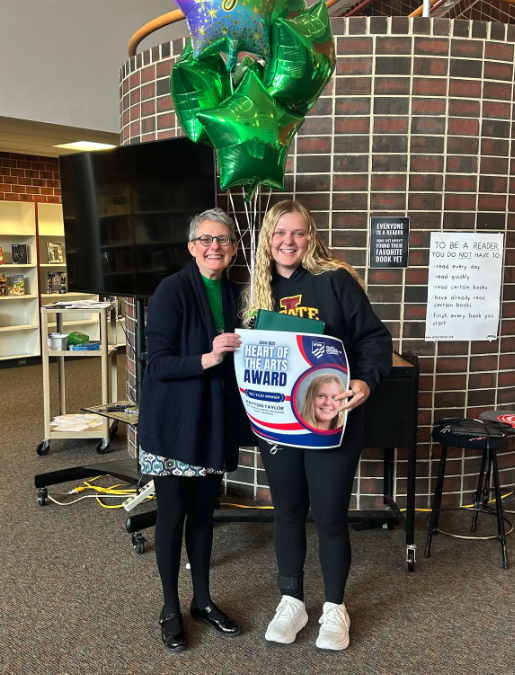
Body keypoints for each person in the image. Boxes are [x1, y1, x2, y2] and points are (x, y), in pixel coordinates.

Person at [242, 199, 392, 651]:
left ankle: (334, 607)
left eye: (298, 232)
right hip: (279, 424)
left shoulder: (335, 280)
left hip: (331, 420)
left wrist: (366, 381)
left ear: (310, 237)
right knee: (287, 512)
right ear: (268, 239)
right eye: (279, 232)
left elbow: (374, 338)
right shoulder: (257, 289)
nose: (288, 241)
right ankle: (292, 601)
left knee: (328, 515)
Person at [138, 207, 244, 653]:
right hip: (173, 425)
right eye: (205, 239)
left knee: (203, 515)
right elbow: (157, 364)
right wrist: (208, 357)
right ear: (191, 247)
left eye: (223, 239)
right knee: (172, 516)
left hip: (212, 424)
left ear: (234, 248)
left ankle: (202, 601)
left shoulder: (238, 293)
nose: (214, 246)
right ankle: (169, 607)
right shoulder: (172, 290)